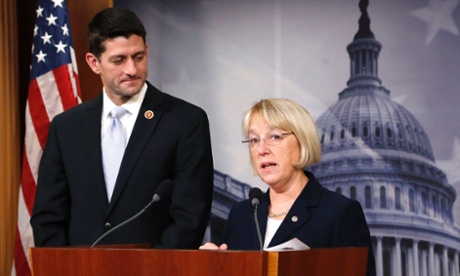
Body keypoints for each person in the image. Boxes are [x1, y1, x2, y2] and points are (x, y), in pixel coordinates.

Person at [31, 7, 214, 249]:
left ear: (147, 51)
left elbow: (190, 216)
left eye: (138, 57)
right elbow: (48, 217)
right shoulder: (66, 128)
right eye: (119, 60)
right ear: (94, 63)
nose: (132, 69)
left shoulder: (185, 121)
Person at [200, 98, 376, 275]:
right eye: (254, 140)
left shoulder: (339, 212)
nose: (261, 149)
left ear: (302, 141)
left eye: (274, 136)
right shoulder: (241, 215)